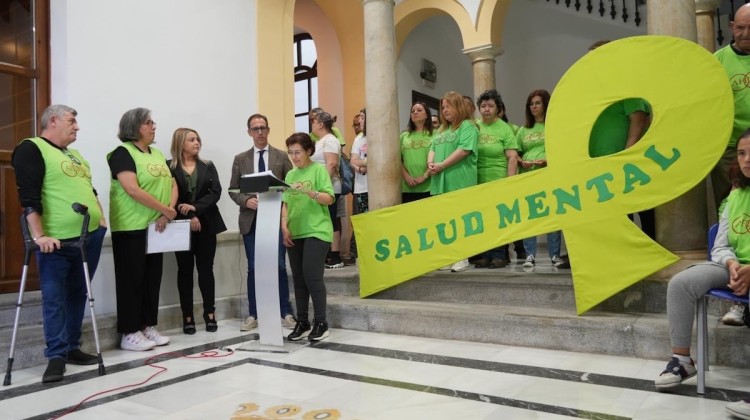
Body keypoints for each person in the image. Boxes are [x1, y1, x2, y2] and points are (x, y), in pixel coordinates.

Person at [654, 129, 750, 419]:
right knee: (681, 283)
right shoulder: (735, 194)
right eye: (742, 153)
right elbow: (720, 245)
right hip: (734, 266)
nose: (746, 159)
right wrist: (732, 265)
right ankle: (682, 360)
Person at [11, 104, 107, 383]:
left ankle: (72, 347)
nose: (77, 127)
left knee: (78, 293)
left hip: (89, 236)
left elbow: (90, 189)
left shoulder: (76, 155)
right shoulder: (31, 148)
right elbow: (28, 196)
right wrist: (40, 236)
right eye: (72, 121)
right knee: (54, 298)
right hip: (56, 241)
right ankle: (55, 355)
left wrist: (100, 217)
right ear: (53, 121)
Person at [108, 107, 177, 351]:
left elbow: (172, 182)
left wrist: (166, 211)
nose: (153, 126)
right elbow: (132, 189)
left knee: (151, 280)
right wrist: (165, 210)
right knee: (131, 280)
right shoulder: (121, 153)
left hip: (156, 227)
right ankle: (129, 332)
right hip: (130, 227)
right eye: (148, 122)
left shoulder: (157, 154)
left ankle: (147, 325)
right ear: (135, 127)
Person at [229, 114, 296, 332]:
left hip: (275, 219)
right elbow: (232, 189)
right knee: (253, 267)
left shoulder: (281, 156)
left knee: (278, 265)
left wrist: (280, 200)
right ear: (249, 132)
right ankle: (254, 313)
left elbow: (290, 186)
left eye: (263, 128)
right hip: (251, 219)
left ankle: (284, 311)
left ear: (268, 130)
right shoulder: (241, 159)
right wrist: (246, 200)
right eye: (255, 129)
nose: (259, 132)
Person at [588, 40, 654, 240]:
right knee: (615, 213)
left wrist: (629, 151)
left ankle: (649, 251)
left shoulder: (624, 84)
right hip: (599, 163)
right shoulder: (590, 90)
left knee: (640, 207)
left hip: (627, 161)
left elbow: (639, 118)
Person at [168, 128, 226, 334]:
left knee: (205, 270)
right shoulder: (169, 167)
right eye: (191, 139)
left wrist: (196, 209)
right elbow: (169, 197)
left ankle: (210, 313)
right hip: (180, 226)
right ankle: (188, 316)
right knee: (184, 272)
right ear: (180, 143)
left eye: (198, 139)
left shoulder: (208, 166)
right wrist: (188, 215)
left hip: (207, 224)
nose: (197, 142)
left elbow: (215, 192)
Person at [281, 132, 335, 341]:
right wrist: (284, 226)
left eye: (298, 152)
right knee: (299, 280)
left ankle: (321, 322)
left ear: (309, 151)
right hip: (296, 230)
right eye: (291, 153)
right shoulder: (290, 176)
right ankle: (302, 321)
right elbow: (285, 203)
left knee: (312, 277)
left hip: (317, 230)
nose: (294, 157)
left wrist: (309, 192)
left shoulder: (318, 171)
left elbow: (329, 198)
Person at [428, 91, 479, 272]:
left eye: (448, 106)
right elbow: (432, 147)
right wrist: (431, 163)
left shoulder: (468, 126)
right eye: (443, 107)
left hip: (460, 180)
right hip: (440, 182)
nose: (444, 110)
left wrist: (441, 165)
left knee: (460, 219)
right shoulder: (442, 130)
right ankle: (448, 257)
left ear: (458, 106)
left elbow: (464, 150)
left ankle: (462, 257)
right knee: (443, 220)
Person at [516, 89, 562, 268]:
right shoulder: (523, 130)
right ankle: (529, 255)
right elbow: (515, 154)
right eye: (531, 104)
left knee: (553, 215)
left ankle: (555, 255)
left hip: (549, 174)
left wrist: (548, 161)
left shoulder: (554, 126)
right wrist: (523, 162)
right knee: (530, 217)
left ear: (546, 104)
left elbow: (561, 150)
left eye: (537, 103)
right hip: (528, 176)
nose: (534, 106)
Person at [473, 89, 519, 269]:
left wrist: (510, 181)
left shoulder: (504, 128)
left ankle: (500, 255)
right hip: (477, 181)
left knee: (499, 220)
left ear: (498, 109)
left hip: (499, 179)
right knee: (483, 220)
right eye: (483, 106)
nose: (486, 109)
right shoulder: (475, 126)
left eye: (490, 106)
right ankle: (486, 254)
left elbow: (512, 157)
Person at [713, 4, 750, 214]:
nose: (745, 34)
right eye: (740, 27)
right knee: (728, 202)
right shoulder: (717, 61)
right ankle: (725, 246)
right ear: (731, 26)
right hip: (729, 147)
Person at [309, 110, 345, 268]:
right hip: (321, 187)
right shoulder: (320, 140)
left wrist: (323, 186)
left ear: (320, 124)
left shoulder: (330, 140)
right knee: (324, 220)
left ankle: (336, 256)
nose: (312, 124)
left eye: (313, 121)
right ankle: (325, 254)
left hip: (328, 187)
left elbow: (331, 164)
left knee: (331, 220)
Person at [400, 102, 434, 203]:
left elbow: (439, 157)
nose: (415, 113)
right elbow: (396, 159)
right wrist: (406, 176)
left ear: (427, 115)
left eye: (419, 110)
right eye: (412, 111)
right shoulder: (404, 136)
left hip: (430, 186)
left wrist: (424, 176)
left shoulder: (435, 134)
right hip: (408, 186)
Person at [350, 109, 369, 213]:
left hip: (378, 187)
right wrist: (365, 166)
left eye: (362, 118)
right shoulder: (359, 138)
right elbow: (353, 160)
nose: (360, 121)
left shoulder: (381, 136)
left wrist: (362, 164)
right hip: (361, 187)